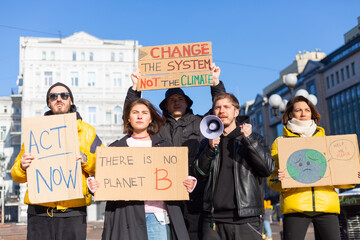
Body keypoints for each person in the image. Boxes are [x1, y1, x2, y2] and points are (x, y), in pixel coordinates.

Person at [127, 63, 226, 239]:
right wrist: (135, 89)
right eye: (172, 100)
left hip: (197, 192)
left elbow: (220, 109)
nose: (176, 102)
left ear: (187, 103)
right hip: (167, 194)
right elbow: (133, 117)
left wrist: (216, 83)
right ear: (166, 106)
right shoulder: (157, 127)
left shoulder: (202, 122)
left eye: (180, 99)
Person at [88, 98, 194, 240]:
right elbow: (104, 181)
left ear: (150, 119)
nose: (139, 116)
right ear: (128, 118)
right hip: (126, 218)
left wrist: (189, 182)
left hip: (158, 219)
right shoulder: (115, 149)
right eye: (135, 112)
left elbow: (178, 177)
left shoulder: (165, 147)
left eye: (144, 113)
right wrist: (94, 185)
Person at [11, 82, 103, 240]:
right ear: (48, 102)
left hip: (73, 212)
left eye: (64, 95)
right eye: (53, 96)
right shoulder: (35, 133)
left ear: (70, 100)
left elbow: (103, 165)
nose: (59, 99)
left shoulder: (87, 132)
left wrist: (86, 160)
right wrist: (21, 166)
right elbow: (16, 176)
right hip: (39, 212)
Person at [267, 95, 355, 240]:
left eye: (307, 110)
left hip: (326, 204)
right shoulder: (281, 142)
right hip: (296, 205)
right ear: (290, 114)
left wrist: (351, 177)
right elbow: (272, 179)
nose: (303, 114)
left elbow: (337, 176)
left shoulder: (325, 141)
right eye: (298, 110)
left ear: (312, 113)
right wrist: (280, 179)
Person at [194, 92, 274, 240]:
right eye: (217, 108)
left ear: (236, 112)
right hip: (212, 220)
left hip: (246, 219)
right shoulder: (207, 142)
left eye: (226, 107)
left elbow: (267, 168)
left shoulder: (254, 138)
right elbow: (199, 174)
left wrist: (249, 140)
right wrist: (210, 150)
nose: (222, 111)